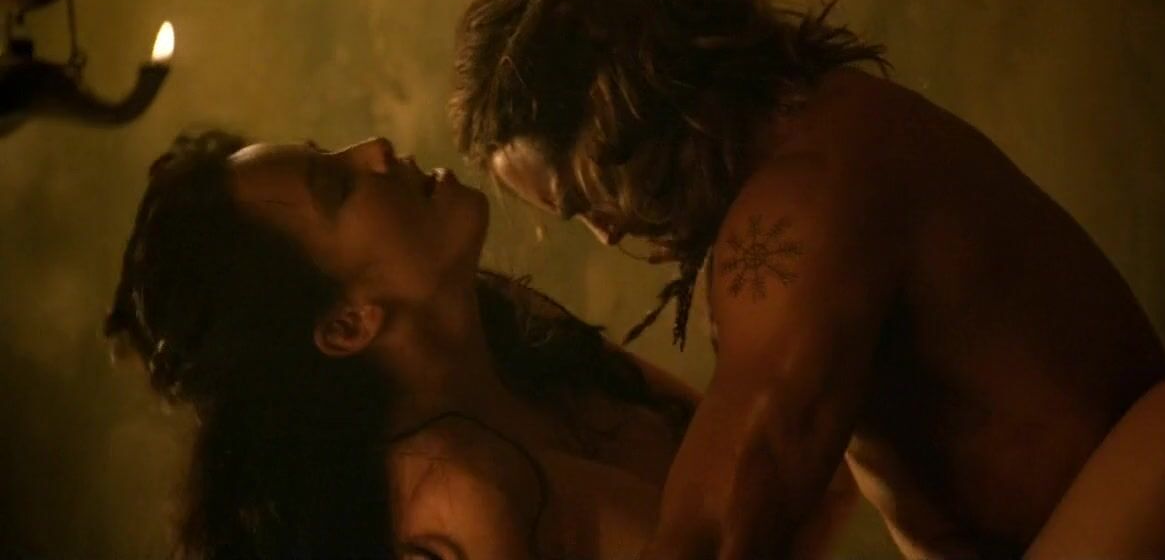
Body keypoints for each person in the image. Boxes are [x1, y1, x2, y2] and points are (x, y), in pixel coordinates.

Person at [450, 0, 1165, 559]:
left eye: (587, 197)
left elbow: (721, 526)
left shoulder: (804, 199)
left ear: (621, 114)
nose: (607, 232)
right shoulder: (820, 137)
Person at [106, 128, 781, 559]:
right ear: (346, 326)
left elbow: (778, 461)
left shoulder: (529, 351)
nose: (374, 149)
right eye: (337, 186)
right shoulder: (451, 503)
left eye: (329, 149)